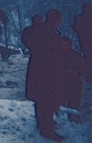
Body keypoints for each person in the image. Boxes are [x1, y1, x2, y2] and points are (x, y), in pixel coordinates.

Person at [29, 9, 65, 141]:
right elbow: (54, 55)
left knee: (41, 98)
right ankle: (46, 127)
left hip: (39, 69)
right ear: (55, 19)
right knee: (49, 99)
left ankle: (42, 123)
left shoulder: (39, 30)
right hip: (48, 71)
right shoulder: (51, 33)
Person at [59, 37, 85, 123]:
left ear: (71, 45)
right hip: (61, 83)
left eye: (67, 45)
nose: (65, 47)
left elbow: (83, 69)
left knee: (74, 104)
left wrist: (76, 72)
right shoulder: (56, 56)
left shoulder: (77, 55)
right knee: (61, 105)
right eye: (63, 45)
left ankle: (74, 123)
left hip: (75, 83)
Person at [22, 14, 44, 103]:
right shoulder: (44, 30)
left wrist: (31, 47)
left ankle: (33, 93)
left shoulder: (28, 30)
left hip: (34, 54)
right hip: (42, 55)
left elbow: (24, 40)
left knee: (34, 75)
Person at [73, 2, 92, 79]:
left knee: (87, 56)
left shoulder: (78, 18)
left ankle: (88, 74)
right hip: (86, 41)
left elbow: (76, 29)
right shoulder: (80, 18)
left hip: (84, 41)